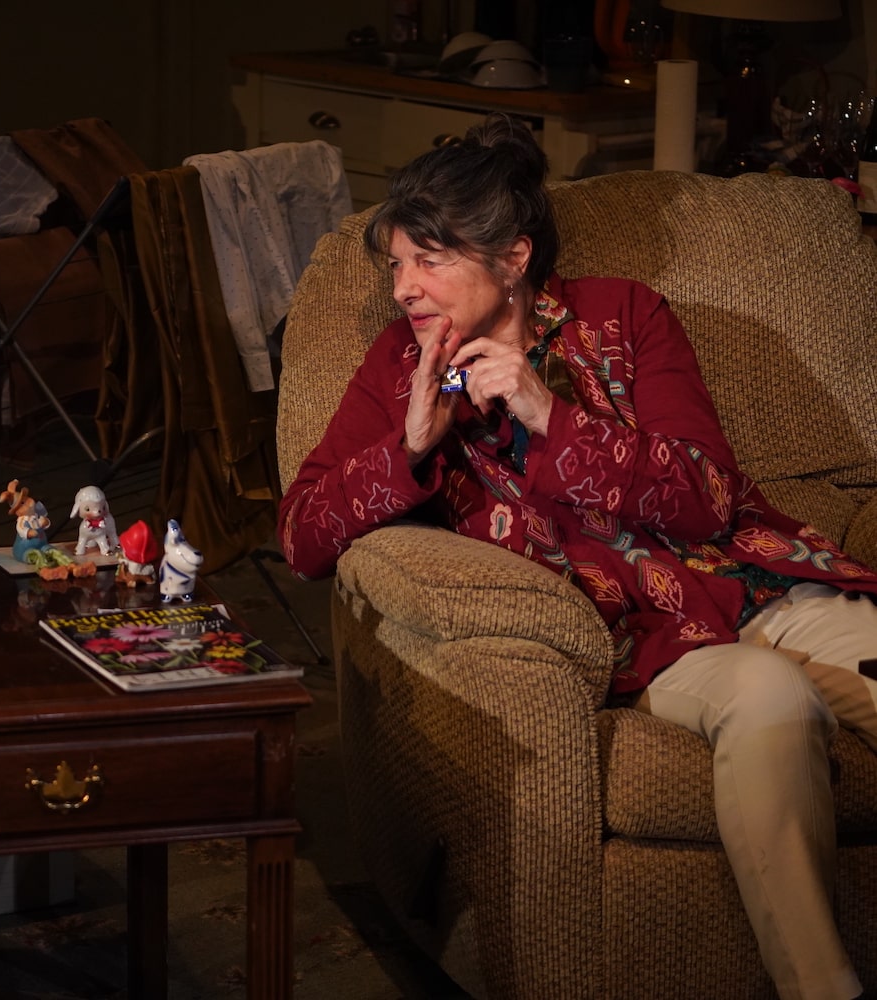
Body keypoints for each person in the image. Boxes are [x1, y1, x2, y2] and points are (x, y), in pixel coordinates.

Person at [279, 113, 877, 1000]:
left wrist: (549, 416)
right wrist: (403, 452)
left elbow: (707, 494)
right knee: (770, 696)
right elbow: (301, 539)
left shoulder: (625, 315)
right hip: (650, 646)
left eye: (429, 260)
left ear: (514, 257)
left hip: (762, 587)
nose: (405, 288)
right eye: (396, 265)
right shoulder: (395, 370)